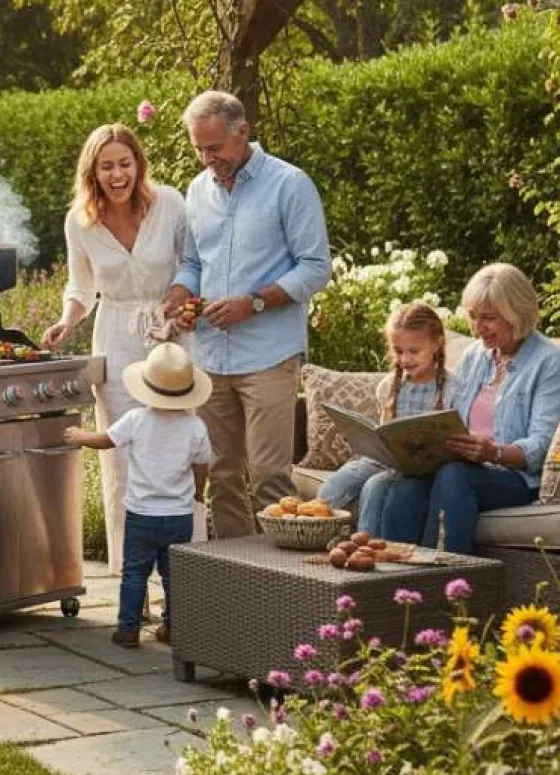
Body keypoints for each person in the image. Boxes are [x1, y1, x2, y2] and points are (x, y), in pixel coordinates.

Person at [162, 90, 331, 539]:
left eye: (214, 148)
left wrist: (252, 302)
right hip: (212, 357)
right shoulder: (198, 191)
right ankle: (240, 586)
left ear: (243, 132)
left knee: (270, 475)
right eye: (198, 149)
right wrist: (180, 292)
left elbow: (315, 268)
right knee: (220, 475)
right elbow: (195, 263)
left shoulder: (290, 184)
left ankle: (281, 584)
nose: (206, 159)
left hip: (268, 355)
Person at [41, 123, 187, 576]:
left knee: (176, 453)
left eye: (125, 163)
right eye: (107, 166)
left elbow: (191, 267)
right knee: (121, 458)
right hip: (117, 338)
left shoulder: (170, 204)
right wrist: (67, 320)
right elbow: (81, 288)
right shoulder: (80, 221)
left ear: (138, 165)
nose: (117, 174)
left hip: (172, 336)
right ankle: (131, 578)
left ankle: (184, 576)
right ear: (94, 172)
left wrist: (180, 311)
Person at [375, 263, 560, 552]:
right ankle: (389, 585)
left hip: (516, 478)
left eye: (488, 318)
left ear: (517, 313)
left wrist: (492, 452)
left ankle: (441, 580)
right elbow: (451, 416)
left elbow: (540, 447)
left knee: (453, 475)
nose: (477, 327)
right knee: (405, 486)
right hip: (463, 464)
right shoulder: (477, 355)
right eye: (473, 317)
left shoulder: (549, 361)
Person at [64, 342, 212, 647]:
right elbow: (201, 466)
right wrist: (198, 493)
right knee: (174, 578)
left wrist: (80, 437)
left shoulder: (137, 419)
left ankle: (128, 629)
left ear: (146, 386)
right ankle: (172, 628)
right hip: (178, 516)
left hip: (142, 515)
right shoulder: (195, 426)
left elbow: (106, 440)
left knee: (134, 574)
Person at [317, 301, 455, 529]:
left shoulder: (453, 388)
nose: (405, 359)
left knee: (374, 487)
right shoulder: (388, 386)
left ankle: (368, 548)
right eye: (399, 351)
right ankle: (325, 543)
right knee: (330, 490)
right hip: (383, 461)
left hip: (425, 467)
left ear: (437, 343)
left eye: (414, 351)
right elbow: (385, 431)